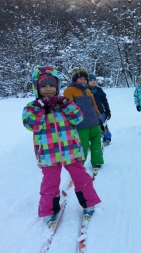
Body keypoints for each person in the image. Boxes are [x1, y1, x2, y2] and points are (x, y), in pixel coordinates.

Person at [22, 65, 101, 228]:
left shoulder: (63, 104)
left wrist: (66, 104)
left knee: (81, 178)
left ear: (57, 87)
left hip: (70, 150)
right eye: (43, 86)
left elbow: (78, 118)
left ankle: (89, 203)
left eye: (52, 85)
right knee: (49, 183)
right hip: (48, 154)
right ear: (36, 88)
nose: (48, 89)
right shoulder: (32, 107)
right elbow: (30, 125)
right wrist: (41, 109)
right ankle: (48, 210)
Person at [63, 68, 104, 169]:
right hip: (80, 125)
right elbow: (66, 107)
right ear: (75, 79)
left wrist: (99, 117)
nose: (83, 81)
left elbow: (94, 105)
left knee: (97, 143)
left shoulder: (88, 91)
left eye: (85, 79)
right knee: (82, 146)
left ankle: (97, 161)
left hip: (93, 122)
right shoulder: (69, 90)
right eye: (80, 78)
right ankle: (79, 165)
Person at [87, 73, 112, 146]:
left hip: (101, 112)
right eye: (91, 80)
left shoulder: (99, 90)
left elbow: (105, 101)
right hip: (91, 113)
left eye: (94, 80)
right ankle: (93, 140)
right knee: (93, 127)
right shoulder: (86, 91)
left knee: (103, 126)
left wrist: (108, 111)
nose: (93, 81)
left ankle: (107, 138)